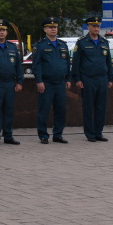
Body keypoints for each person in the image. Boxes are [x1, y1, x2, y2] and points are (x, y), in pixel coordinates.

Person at [72, 16, 113, 142]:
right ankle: (90, 133)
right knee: (88, 107)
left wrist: (110, 78)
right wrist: (78, 79)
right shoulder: (82, 42)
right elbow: (76, 63)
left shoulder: (104, 42)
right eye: (94, 26)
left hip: (102, 79)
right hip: (88, 79)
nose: (96, 28)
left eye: (98, 26)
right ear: (88, 27)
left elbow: (108, 62)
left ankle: (98, 133)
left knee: (101, 107)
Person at [32, 16, 72, 144]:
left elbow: (67, 64)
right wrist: (39, 81)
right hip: (46, 83)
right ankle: (43, 135)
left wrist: (68, 78)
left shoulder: (63, 45)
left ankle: (58, 134)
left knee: (61, 110)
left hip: (60, 82)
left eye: (55, 27)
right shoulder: (40, 45)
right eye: (50, 27)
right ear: (45, 29)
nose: (53, 29)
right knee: (43, 110)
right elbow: (36, 65)